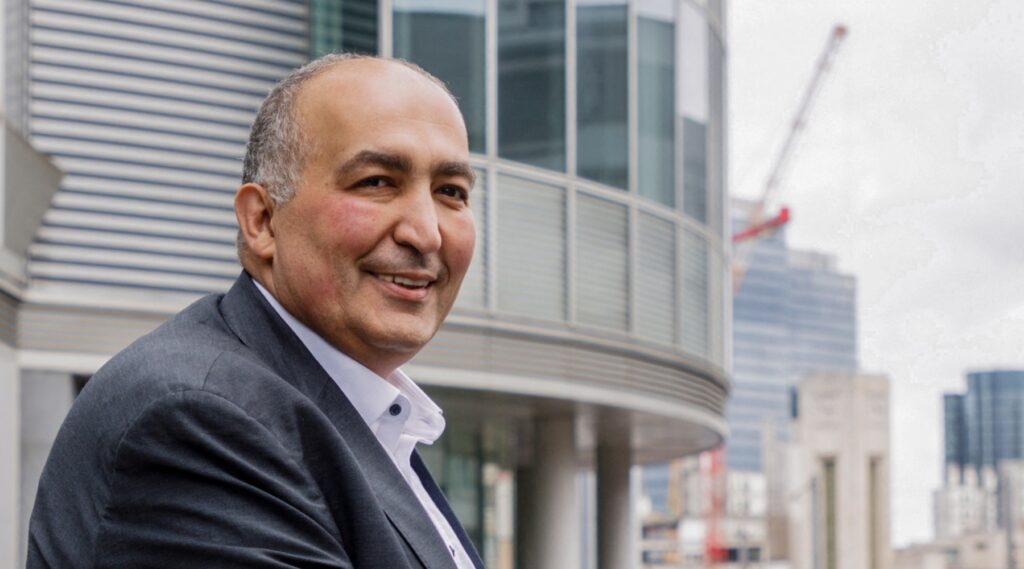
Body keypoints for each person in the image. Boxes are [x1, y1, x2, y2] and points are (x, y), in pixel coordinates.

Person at [27, 54, 484, 569]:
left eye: (451, 192)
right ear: (262, 221)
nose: (426, 233)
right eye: (376, 182)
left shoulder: (354, 417)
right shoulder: (200, 421)